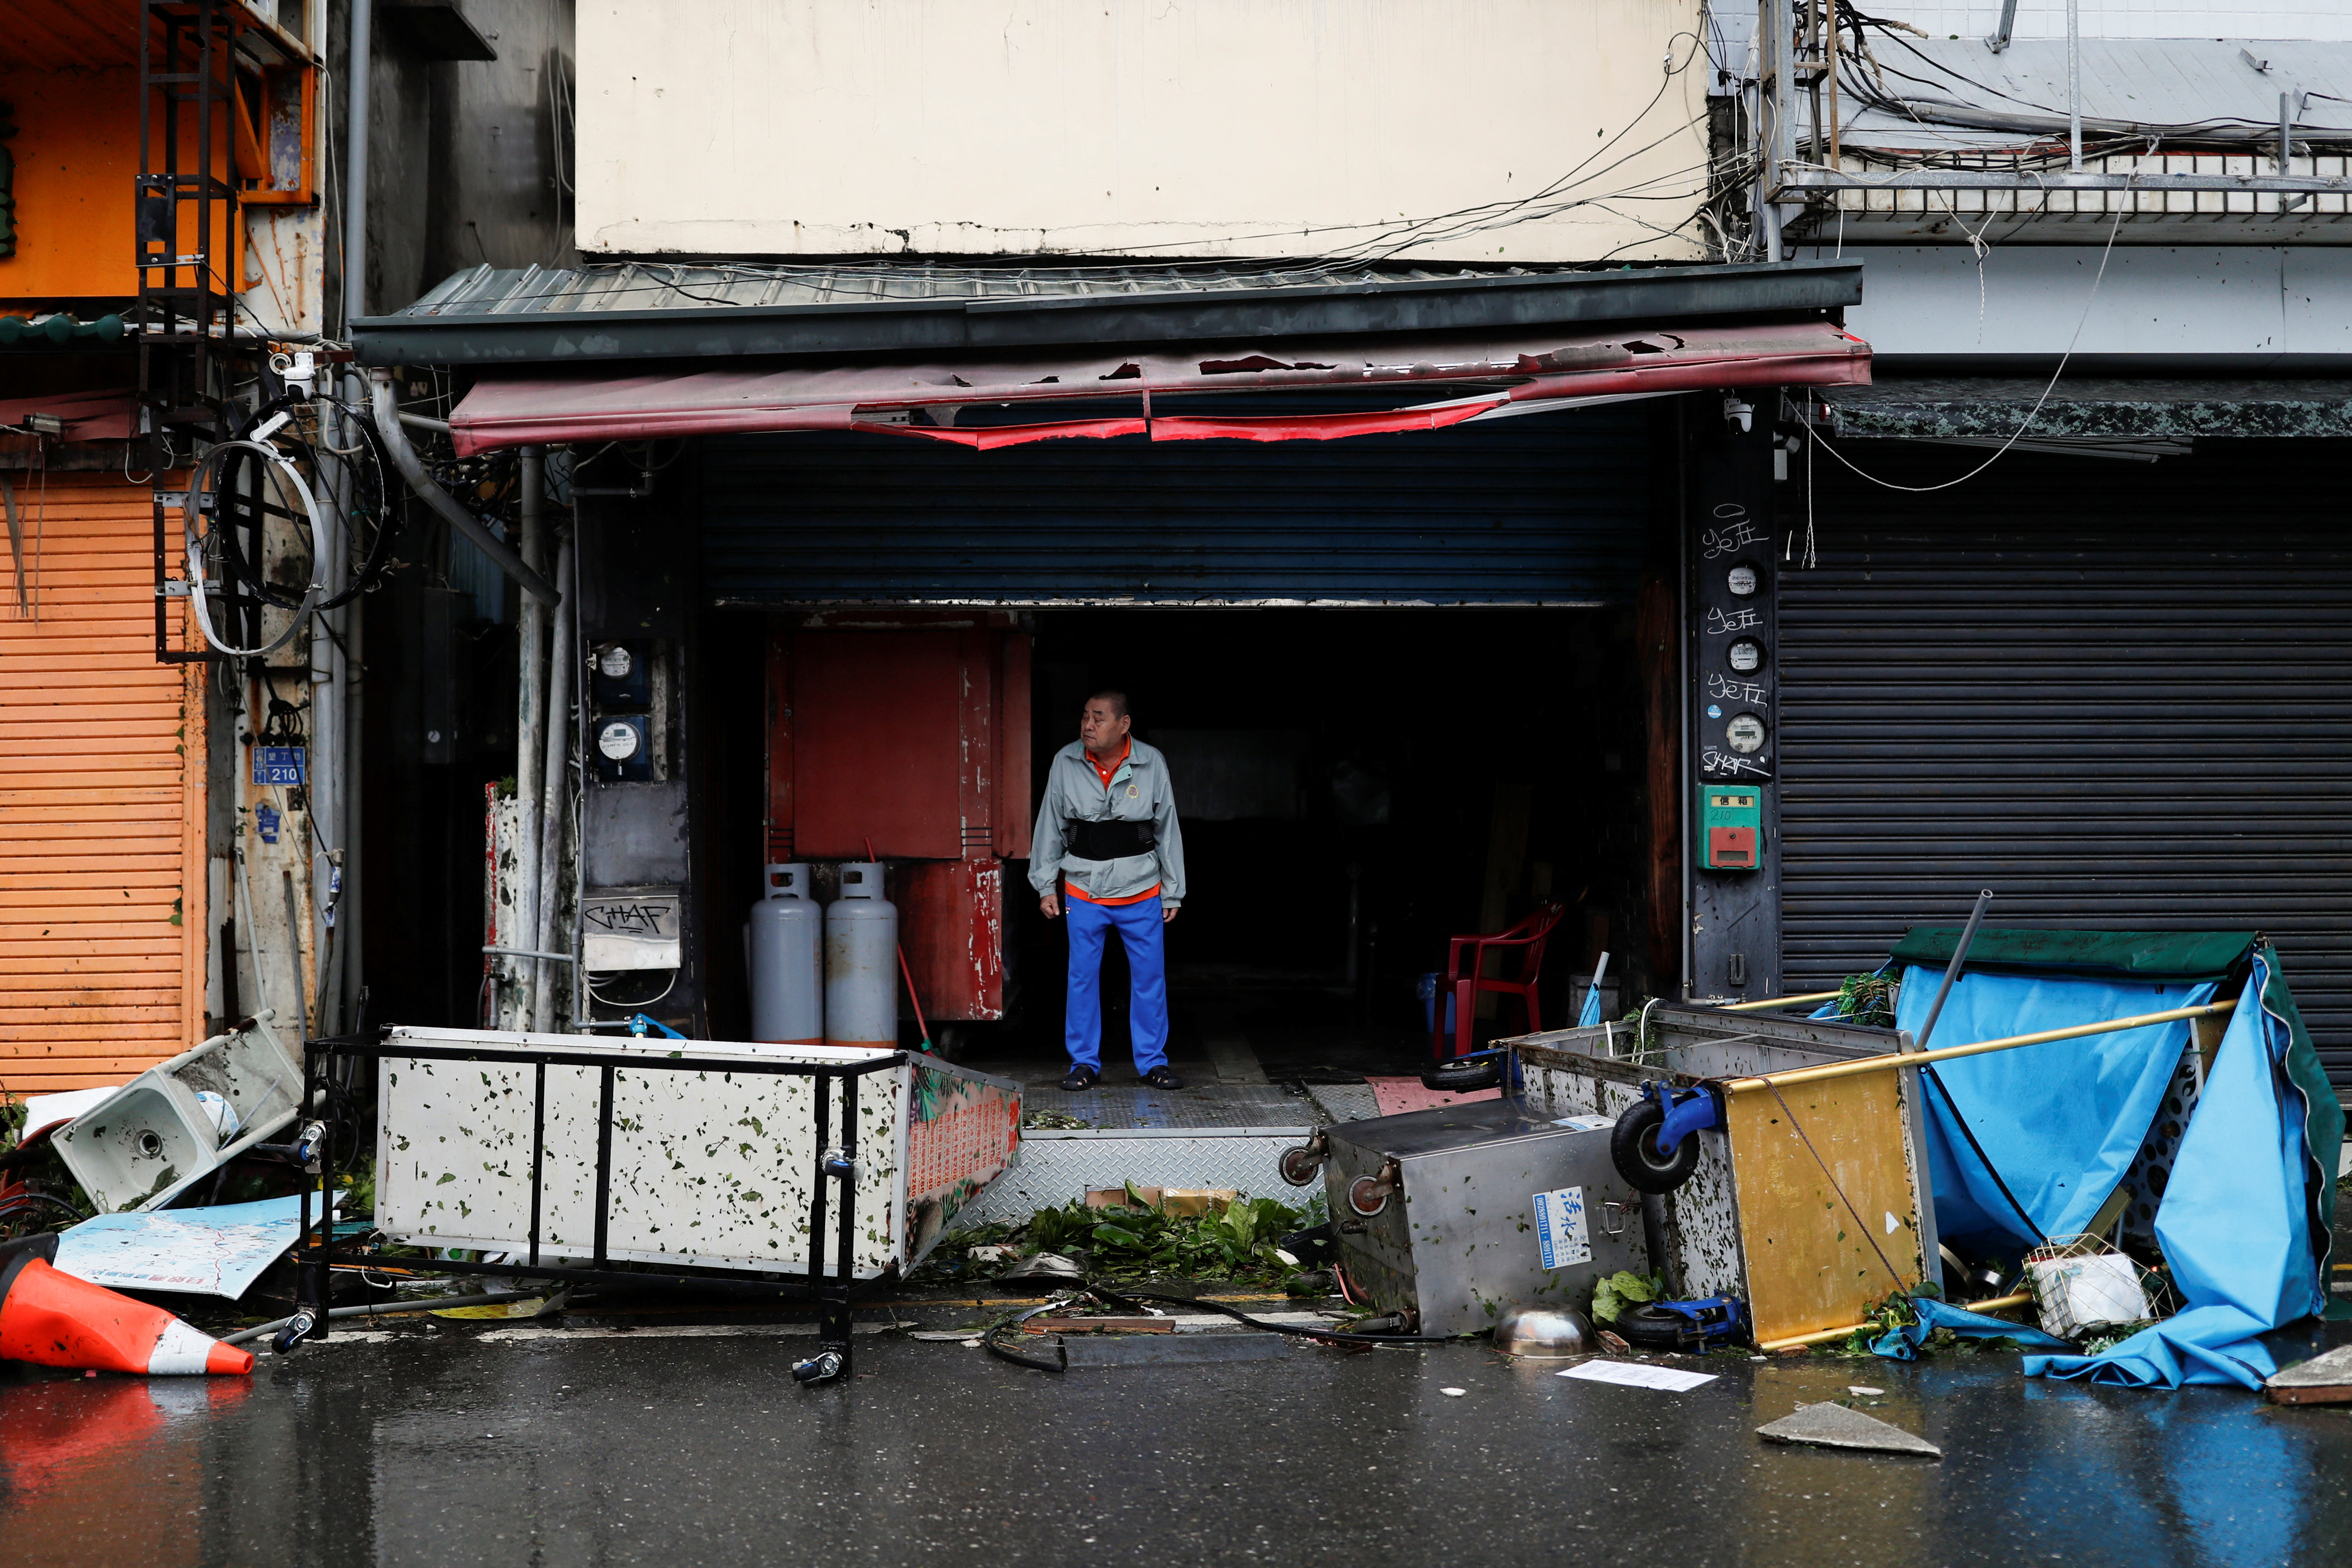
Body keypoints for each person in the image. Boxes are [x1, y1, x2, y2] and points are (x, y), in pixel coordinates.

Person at [1030, 690, 1186, 1092]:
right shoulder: (1066, 761)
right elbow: (1050, 825)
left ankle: (1153, 1062)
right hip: (1083, 888)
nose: (1088, 725)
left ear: (1124, 724)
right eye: (1084, 716)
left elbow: (1167, 828)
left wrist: (1173, 891)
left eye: (1098, 718)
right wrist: (1045, 884)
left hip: (1141, 888)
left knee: (1149, 978)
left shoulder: (1151, 762)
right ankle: (1084, 1063)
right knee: (1082, 977)